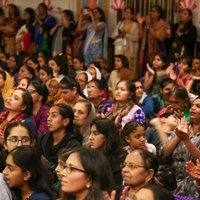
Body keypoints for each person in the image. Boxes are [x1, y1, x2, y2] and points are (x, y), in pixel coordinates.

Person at [37, 104, 82, 185]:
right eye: (48, 115)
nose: (48, 119)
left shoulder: (73, 146)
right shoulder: (42, 139)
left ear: (65, 121)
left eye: (54, 116)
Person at [160, 98, 200, 182]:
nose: (192, 108)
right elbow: (164, 152)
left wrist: (186, 140)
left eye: (198, 106)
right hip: (174, 181)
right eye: (192, 105)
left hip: (194, 183)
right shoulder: (181, 127)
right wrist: (179, 136)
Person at [89, 118, 126, 186]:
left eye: (95, 134)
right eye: (90, 133)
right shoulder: (89, 155)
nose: (90, 137)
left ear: (107, 136)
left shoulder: (121, 159)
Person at [137, 5, 166, 77]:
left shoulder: (161, 23)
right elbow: (140, 36)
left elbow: (159, 37)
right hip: (145, 48)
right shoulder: (149, 21)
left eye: (154, 11)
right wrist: (140, 24)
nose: (151, 13)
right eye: (151, 11)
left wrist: (149, 26)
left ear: (159, 13)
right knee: (144, 66)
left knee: (154, 66)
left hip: (156, 48)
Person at [112, 7, 139, 76]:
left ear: (132, 15)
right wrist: (119, 34)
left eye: (128, 12)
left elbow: (137, 38)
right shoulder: (120, 23)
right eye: (125, 12)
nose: (126, 13)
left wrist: (126, 34)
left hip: (129, 48)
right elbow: (113, 36)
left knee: (129, 66)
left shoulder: (135, 24)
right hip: (120, 48)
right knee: (119, 65)